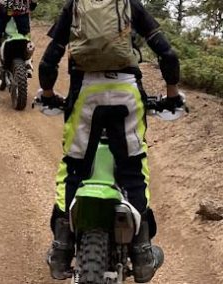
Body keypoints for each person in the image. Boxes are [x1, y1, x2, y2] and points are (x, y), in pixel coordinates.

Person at [38, 0, 184, 282]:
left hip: (85, 92)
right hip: (126, 92)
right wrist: (172, 94)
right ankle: (142, 254)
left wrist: (46, 93)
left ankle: (61, 249)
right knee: (133, 168)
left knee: (73, 168)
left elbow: (50, 58)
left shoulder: (75, 6)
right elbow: (168, 54)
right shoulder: (129, 5)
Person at [0, 0, 38, 79]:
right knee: (26, 36)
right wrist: (33, 3)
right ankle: (28, 62)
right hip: (22, 9)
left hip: (4, 10)